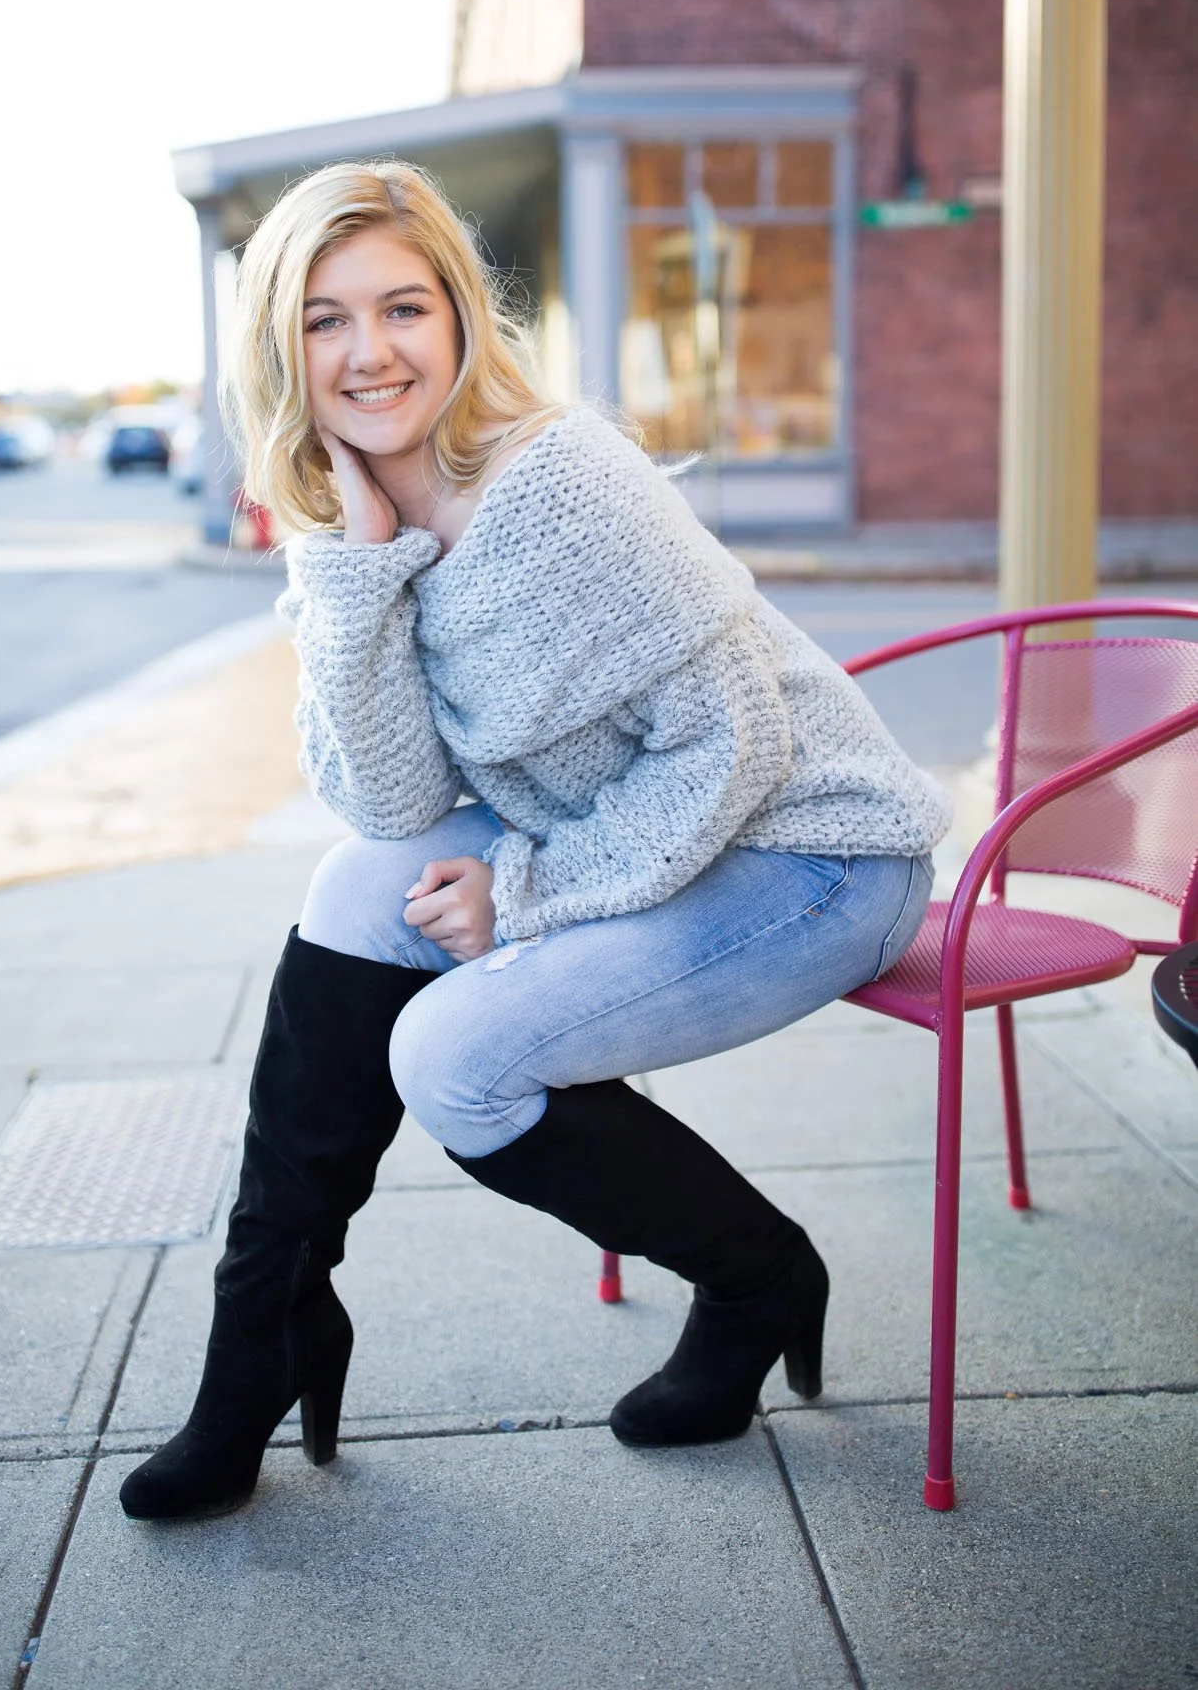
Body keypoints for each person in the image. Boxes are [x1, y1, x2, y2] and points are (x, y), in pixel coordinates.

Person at [119, 160, 952, 1522]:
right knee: (355, 883)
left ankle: (757, 1276)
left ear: (458, 318)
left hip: (816, 856)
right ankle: (259, 1341)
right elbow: (388, 805)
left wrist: (529, 896)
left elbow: (734, 743)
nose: (371, 352)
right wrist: (356, 570)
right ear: (283, 346)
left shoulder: (562, 486)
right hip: (663, 839)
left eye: (401, 308)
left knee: (453, 1057)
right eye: (325, 320)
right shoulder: (358, 521)